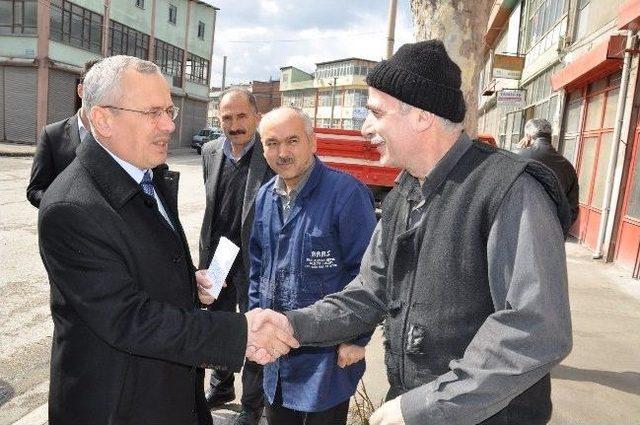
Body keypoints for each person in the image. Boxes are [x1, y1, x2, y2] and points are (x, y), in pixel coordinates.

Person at [277, 40, 574, 425]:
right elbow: (369, 293)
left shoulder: (510, 189)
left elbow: (537, 327)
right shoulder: (406, 191)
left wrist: (425, 408)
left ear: (420, 116)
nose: (366, 127)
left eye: (376, 112)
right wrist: (290, 325)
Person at [37, 55, 298, 425]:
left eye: (169, 110)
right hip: (120, 405)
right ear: (102, 119)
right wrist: (239, 333)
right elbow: (128, 318)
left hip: (169, 389)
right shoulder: (72, 207)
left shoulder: (144, 172)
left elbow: (138, 260)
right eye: (152, 112)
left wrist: (185, 281)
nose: (169, 125)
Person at [249, 106, 377, 425]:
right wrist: (254, 326)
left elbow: (368, 275)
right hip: (276, 356)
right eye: (271, 143)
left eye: (292, 141)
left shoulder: (346, 194)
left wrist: (357, 339)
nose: (282, 152)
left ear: (313, 142)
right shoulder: (265, 196)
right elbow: (256, 269)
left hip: (329, 357)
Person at [198, 88, 274, 424]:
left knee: (254, 329)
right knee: (218, 323)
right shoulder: (211, 151)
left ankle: (252, 405)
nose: (235, 124)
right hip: (220, 255)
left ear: (256, 117)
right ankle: (221, 384)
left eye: (242, 116)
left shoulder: (270, 153)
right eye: (227, 117)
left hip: (258, 258)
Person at [27, 58, 100, 208]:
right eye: (93, 87)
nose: (98, 95)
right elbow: (35, 190)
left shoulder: (121, 136)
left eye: (104, 88)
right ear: (80, 90)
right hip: (66, 227)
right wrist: (63, 208)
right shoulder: (52, 135)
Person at [516, 118, 579, 225]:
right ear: (550, 137)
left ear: (528, 137)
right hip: (553, 232)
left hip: (522, 228)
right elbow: (572, 210)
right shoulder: (568, 167)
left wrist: (518, 152)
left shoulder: (519, 159)